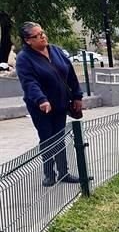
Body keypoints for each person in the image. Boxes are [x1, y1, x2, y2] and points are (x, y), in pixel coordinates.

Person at [15, 23, 83, 187]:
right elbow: (30, 83)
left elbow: (70, 74)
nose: (43, 36)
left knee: (59, 137)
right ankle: (49, 174)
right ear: (28, 40)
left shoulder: (55, 50)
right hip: (41, 107)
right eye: (37, 35)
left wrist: (77, 96)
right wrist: (41, 100)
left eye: (43, 33)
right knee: (47, 138)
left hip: (60, 104)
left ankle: (64, 172)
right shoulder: (24, 58)